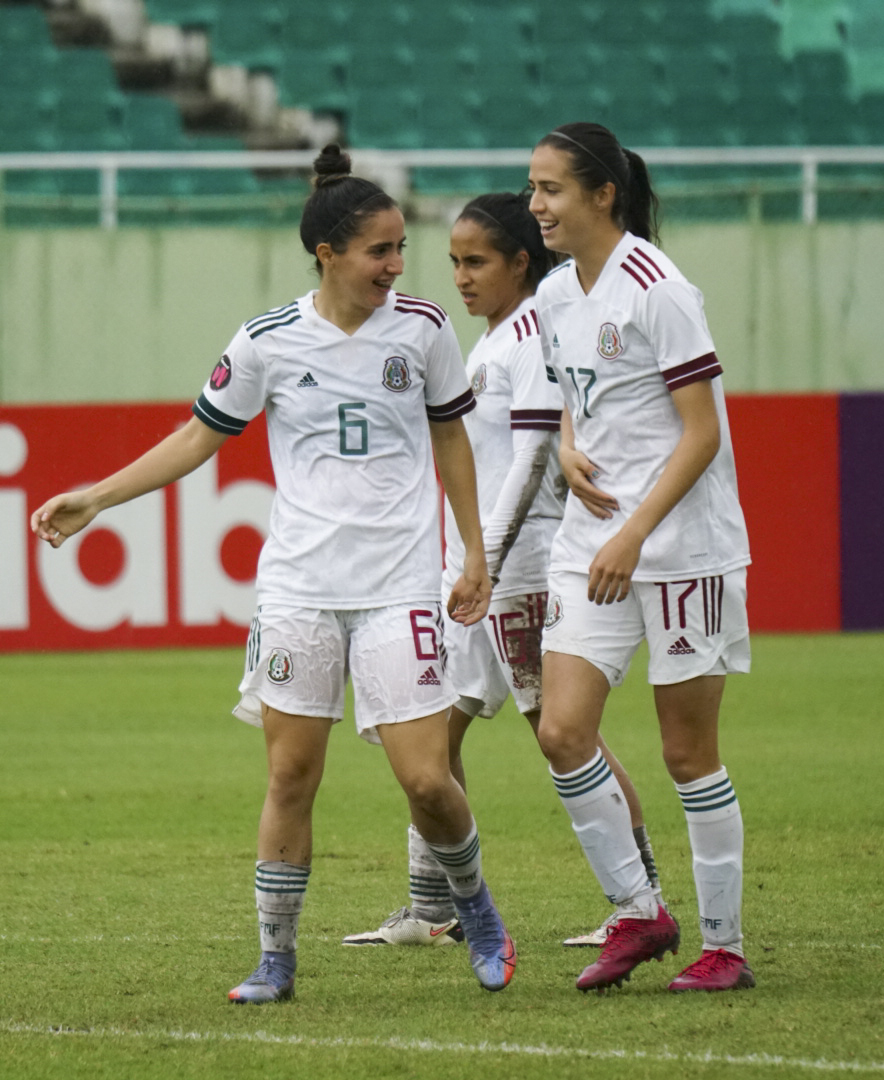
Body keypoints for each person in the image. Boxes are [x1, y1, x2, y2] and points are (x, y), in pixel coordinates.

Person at [30, 144, 517, 1002]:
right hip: (297, 591)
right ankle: (276, 959)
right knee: (291, 777)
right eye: (380, 250)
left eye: (402, 248)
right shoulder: (266, 342)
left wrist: (474, 551)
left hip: (401, 585)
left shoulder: (426, 329)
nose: (396, 266)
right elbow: (196, 437)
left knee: (427, 778)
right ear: (327, 254)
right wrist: (98, 497)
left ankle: (476, 910)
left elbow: (452, 438)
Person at [341, 192, 665, 952]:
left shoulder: (531, 336)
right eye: (452, 261)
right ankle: (431, 907)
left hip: (516, 577)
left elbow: (530, 459)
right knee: (432, 740)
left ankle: (640, 898)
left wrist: (485, 557)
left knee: (567, 737)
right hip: (471, 579)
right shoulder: (486, 342)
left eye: (476, 261)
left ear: (522, 262)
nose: (460, 276)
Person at [528, 122, 755, 994]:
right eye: (533, 187)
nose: (537, 204)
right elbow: (576, 401)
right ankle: (639, 911)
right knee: (560, 730)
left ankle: (725, 947)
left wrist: (634, 534)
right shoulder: (553, 295)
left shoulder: (660, 289)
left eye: (551, 189)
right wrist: (567, 449)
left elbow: (701, 435)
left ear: (602, 195)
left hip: (680, 548)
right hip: (593, 541)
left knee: (686, 752)